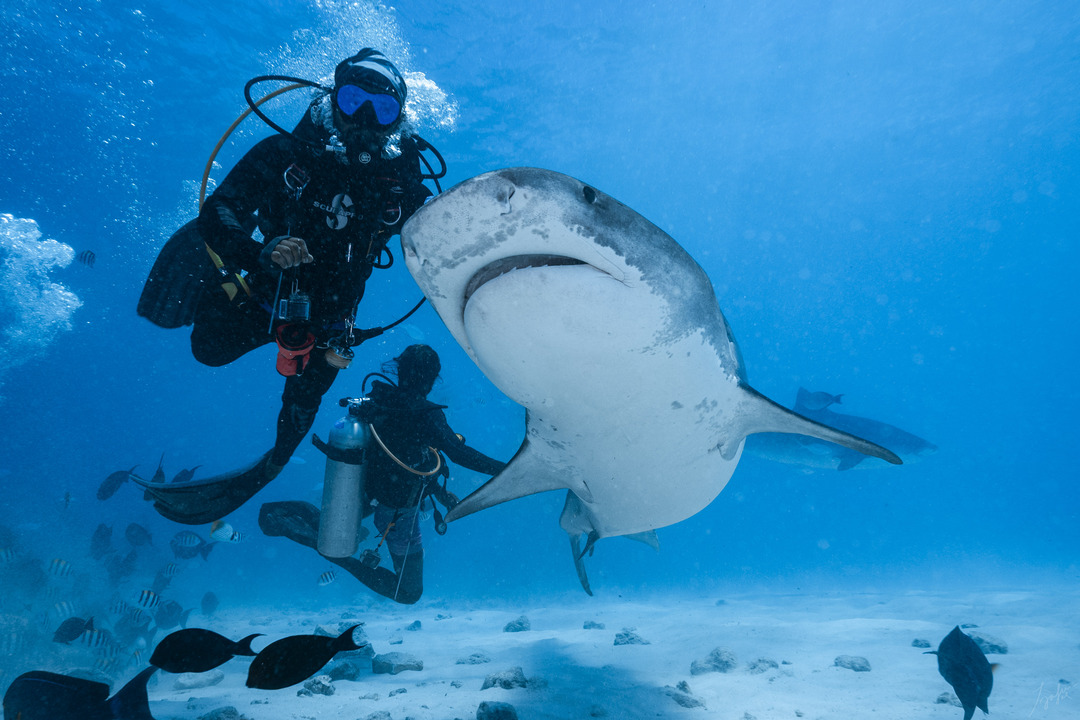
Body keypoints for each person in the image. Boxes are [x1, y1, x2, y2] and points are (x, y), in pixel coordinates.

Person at [137, 49, 439, 524]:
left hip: (332, 320)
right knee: (207, 350)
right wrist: (256, 251)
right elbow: (217, 212)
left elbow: (449, 231)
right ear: (332, 97)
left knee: (303, 404)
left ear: (397, 119)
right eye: (354, 98)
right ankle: (212, 281)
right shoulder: (284, 154)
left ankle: (273, 466)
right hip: (263, 291)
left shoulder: (400, 183)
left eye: (382, 110)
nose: (363, 116)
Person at [259, 345, 506, 604]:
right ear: (433, 378)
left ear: (399, 370)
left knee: (332, 527)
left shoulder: (378, 400)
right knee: (409, 592)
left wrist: (439, 493)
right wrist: (507, 471)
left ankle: (293, 518)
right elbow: (457, 454)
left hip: (364, 494)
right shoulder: (426, 415)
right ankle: (335, 555)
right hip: (397, 513)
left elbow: (405, 456)